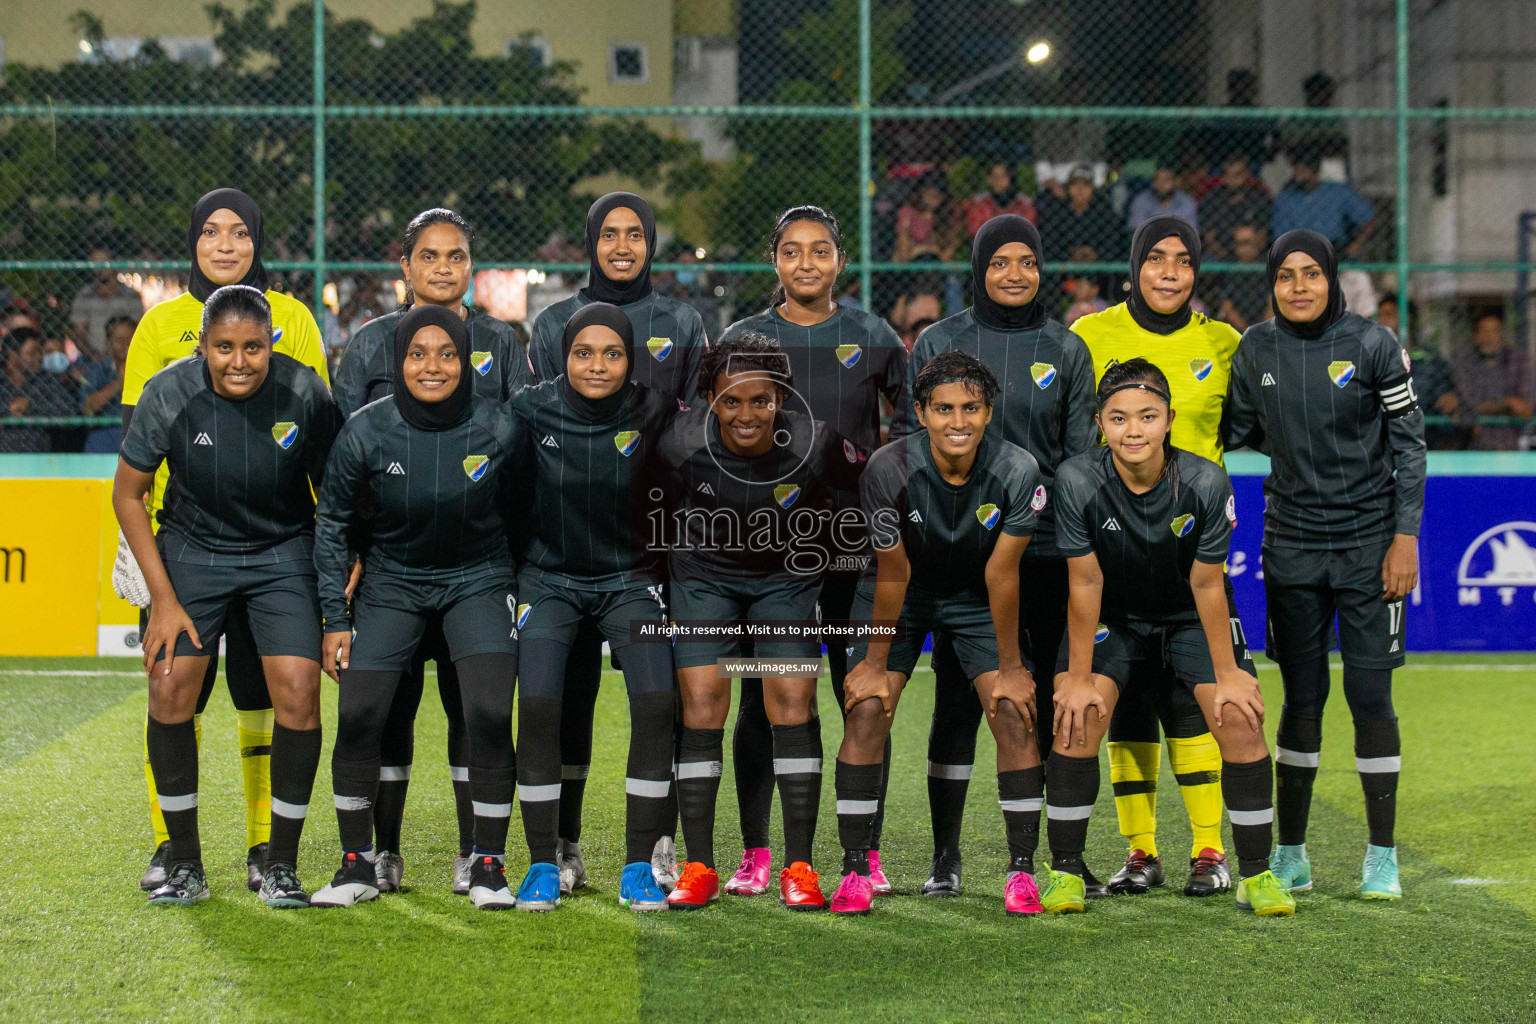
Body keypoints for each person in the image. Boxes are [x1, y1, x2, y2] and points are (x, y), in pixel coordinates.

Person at [121, 187, 329, 896]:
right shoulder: (168, 388)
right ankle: (180, 860)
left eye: (251, 347)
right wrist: (161, 598)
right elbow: (127, 492)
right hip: (192, 547)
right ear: (201, 346)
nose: (238, 361)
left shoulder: (305, 391)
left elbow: (337, 499)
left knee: (296, 691)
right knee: (171, 683)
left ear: (270, 341)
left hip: (280, 550)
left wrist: (338, 595)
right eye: (222, 348)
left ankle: (279, 863)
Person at [1041, 357, 1293, 917]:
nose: (1134, 430)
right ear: (1100, 422)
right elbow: (1084, 581)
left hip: (1186, 615)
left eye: (1148, 416)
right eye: (1120, 418)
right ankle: (1064, 873)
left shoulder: (1205, 479)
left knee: (1242, 719)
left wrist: (1229, 675)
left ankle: (1256, 874)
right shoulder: (1077, 478)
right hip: (1115, 616)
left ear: (1170, 419)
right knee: (1076, 717)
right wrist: (1079, 679)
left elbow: (1207, 583)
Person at [331, 207, 534, 895]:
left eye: (455, 255)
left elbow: (514, 454)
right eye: (429, 256)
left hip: (475, 567)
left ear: (470, 266)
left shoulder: (500, 343)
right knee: (380, 708)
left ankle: (477, 855)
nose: (443, 268)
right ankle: (376, 854)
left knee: (472, 707)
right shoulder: (367, 345)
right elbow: (345, 463)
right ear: (406, 268)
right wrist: (353, 562)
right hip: (389, 564)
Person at [1225, 229, 1427, 900]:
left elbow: (1410, 447)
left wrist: (1405, 538)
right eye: (1287, 276)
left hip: (1371, 549)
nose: (1300, 285)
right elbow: (1238, 430)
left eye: (1312, 273)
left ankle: (1381, 856)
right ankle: (1292, 854)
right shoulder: (1256, 349)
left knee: (1370, 697)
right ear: (1272, 284)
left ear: (1332, 278)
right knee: (1302, 702)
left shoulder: (1372, 345)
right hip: (1292, 549)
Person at [898, 216, 1096, 897]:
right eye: (999, 262)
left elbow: (1077, 467)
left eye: (1027, 262)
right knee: (955, 707)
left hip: (1038, 557)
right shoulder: (940, 340)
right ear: (976, 268)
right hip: (954, 560)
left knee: (1031, 702)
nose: (1014, 273)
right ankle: (944, 858)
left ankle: (1048, 859)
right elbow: (910, 446)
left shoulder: (1066, 350)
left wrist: (1075, 554)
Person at [717, 206, 912, 897]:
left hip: (858, 551)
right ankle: (757, 852)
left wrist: (886, 487)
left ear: (840, 260)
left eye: (820, 251)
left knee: (863, 699)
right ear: (775, 262)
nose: (807, 263)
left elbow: (912, 426)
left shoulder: (873, 335)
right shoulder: (743, 337)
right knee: (760, 702)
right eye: (793, 252)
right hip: (771, 555)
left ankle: (865, 851)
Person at [527, 192, 709, 893]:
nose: (624, 245)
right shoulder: (551, 323)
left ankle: (653, 850)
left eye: (636, 234)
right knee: (560, 700)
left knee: (658, 700)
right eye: (611, 234)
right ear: (590, 242)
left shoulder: (682, 320)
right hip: (566, 550)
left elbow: (692, 436)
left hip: (650, 553)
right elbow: (548, 425)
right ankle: (561, 846)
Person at [833, 350, 1047, 917]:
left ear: (989, 410)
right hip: (902, 595)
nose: (959, 421)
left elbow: (1002, 574)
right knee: (867, 711)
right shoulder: (886, 468)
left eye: (971, 408)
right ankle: (855, 869)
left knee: (1013, 711)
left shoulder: (1019, 471)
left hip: (978, 595)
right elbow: (893, 571)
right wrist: (876, 664)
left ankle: (1021, 873)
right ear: (921, 413)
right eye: (944, 408)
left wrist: (1010, 666)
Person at [657, 332, 866, 912]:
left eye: (760, 400)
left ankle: (799, 867)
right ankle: (698, 867)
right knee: (702, 705)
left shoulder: (817, 443)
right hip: (702, 579)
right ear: (710, 399)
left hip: (784, 583)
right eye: (730, 401)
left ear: (781, 396)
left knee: (792, 701)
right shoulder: (677, 444)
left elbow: (867, 493)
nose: (745, 414)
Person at [1071, 217, 1241, 898]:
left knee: (1196, 704)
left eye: (1183, 261)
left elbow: (1248, 427)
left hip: (1193, 552)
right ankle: (1140, 853)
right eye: (1156, 259)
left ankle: (1210, 850)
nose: (1169, 272)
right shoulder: (1088, 336)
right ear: (1134, 265)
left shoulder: (1224, 343)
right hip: (1112, 544)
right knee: (1130, 705)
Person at [509, 302, 677, 913]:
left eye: (612, 354)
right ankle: (542, 865)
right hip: (548, 581)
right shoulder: (529, 409)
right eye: (584, 352)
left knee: (658, 703)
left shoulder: (656, 411)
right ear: (563, 355)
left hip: (631, 580)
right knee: (539, 710)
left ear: (630, 360)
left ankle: (638, 864)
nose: (597, 365)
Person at [1378, 297, 1464, 449]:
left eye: (1389, 314)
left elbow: (1449, 400)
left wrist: (1451, 400)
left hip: (1426, 443)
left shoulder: (1430, 359)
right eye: (1380, 315)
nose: (1382, 321)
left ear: (1407, 318)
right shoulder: (1370, 360)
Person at [1271, 150, 1379, 257]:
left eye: (1304, 172)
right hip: (1299, 253)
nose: (1299, 177)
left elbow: (1370, 219)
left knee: (1358, 275)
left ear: (1316, 173)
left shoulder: (1338, 192)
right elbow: (1280, 237)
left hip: (1335, 250)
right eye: (1297, 172)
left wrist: (1357, 244)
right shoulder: (1286, 197)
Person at [1451, 311, 1533, 451]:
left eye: (1494, 331)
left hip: (1512, 444)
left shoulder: (1518, 362)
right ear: (1475, 335)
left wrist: (1485, 409)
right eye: (1484, 331)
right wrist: (1507, 403)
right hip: (1476, 445)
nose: (1489, 337)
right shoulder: (1465, 363)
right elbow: (1467, 407)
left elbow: (1526, 410)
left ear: (1502, 333)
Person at [0, 327, 78, 452]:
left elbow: (70, 411)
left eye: (40, 352)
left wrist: (30, 407)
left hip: (37, 460)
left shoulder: (46, 381)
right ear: (13, 356)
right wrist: (7, 409)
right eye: (32, 352)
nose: (39, 357)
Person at [71, 246, 144, 360]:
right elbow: (78, 333)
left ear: (114, 263)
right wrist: (94, 355)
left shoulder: (130, 295)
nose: (100, 268)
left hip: (126, 355)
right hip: (94, 357)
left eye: (104, 263)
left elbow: (138, 329)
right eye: (96, 264)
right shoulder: (84, 296)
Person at [1038, 166, 1123, 262]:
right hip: (1064, 267)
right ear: (1068, 188)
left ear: (1092, 189)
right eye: (1075, 184)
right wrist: (1070, 253)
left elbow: (1114, 243)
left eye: (1086, 184)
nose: (1080, 189)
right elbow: (1048, 243)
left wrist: (1095, 253)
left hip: (1098, 267)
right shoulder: (1056, 213)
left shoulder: (1104, 213)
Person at [1198, 151, 1271, 261]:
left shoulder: (1258, 197)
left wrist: (1250, 254)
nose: (1233, 181)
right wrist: (1227, 258)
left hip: (1252, 252)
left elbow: (1263, 235)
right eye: (1229, 175)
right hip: (1220, 254)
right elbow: (1209, 239)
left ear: (1246, 174)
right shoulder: (1211, 198)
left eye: (1238, 175)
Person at [81, 314, 136, 452]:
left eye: (131, 339)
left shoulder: (148, 367)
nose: (126, 345)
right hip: (104, 436)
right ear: (109, 342)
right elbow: (87, 409)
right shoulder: (98, 369)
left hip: (136, 434)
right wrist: (119, 383)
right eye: (119, 339)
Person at [1208, 223, 1271, 333]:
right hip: (1237, 330)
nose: (1241, 249)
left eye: (1246, 243)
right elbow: (1227, 308)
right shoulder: (1229, 268)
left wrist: (1261, 333)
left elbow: (1272, 305)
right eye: (1238, 244)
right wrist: (1249, 332)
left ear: (1258, 243)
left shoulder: (1267, 268)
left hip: (1265, 328)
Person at [893, 170, 961, 263]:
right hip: (913, 259)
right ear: (921, 193)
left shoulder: (948, 213)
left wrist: (935, 253)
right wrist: (922, 251)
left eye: (937, 197)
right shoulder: (908, 212)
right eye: (929, 195)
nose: (932, 202)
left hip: (938, 261)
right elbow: (904, 248)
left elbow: (950, 247)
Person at [964, 163, 1037, 240]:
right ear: (989, 179)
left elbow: (1029, 230)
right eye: (994, 176)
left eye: (1002, 176)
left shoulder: (1023, 203)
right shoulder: (979, 202)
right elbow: (975, 230)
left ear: (1010, 178)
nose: (998, 181)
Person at [1125, 162, 1199, 235]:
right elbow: (1138, 231)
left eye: (1166, 180)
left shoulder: (1186, 202)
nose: (1161, 184)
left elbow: (1189, 234)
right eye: (1157, 180)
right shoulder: (1141, 200)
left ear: (1175, 182)